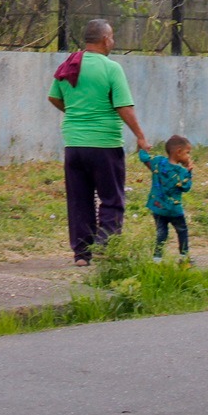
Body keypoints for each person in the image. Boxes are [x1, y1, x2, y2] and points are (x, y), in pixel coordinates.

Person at [48, 18, 152, 267]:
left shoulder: (70, 64)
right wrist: (140, 135)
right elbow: (124, 107)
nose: (113, 41)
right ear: (106, 39)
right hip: (105, 144)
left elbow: (54, 97)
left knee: (79, 200)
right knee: (111, 199)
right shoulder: (111, 68)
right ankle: (107, 250)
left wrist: (75, 112)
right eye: (112, 37)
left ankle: (82, 255)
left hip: (74, 145)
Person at [138, 135, 194, 263]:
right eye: (187, 153)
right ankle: (184, 258)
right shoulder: (181, 171)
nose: (189, 156)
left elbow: (144, 157)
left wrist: (142, 146)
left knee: (161, 233)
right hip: (174, 209)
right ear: (178, 152)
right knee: (182, 231)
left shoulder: (158, 162)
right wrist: (189, 171)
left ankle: (157, 258)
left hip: (158, 207)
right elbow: (186, 187)